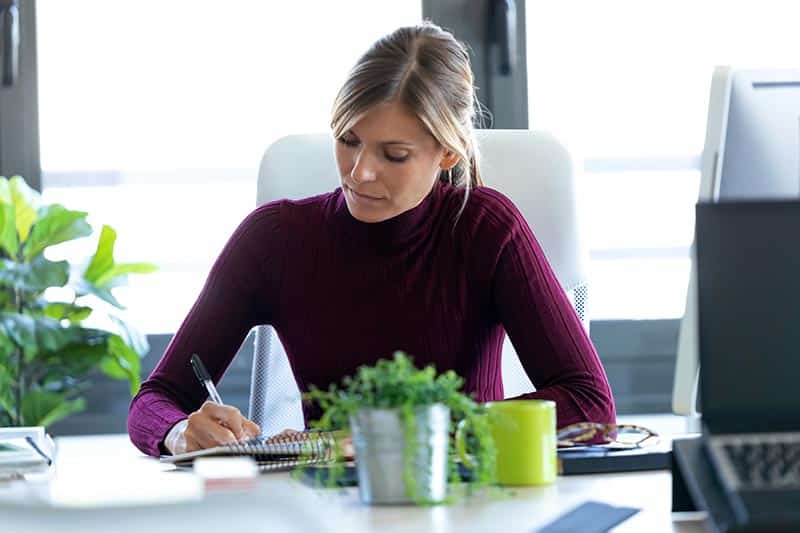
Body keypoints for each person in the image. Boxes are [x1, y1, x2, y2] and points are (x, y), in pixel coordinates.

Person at [128, 22, 615, 457]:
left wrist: (406, 435)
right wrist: (179, 432)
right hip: (328, 509)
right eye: (348, 140)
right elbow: (156, 399)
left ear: (446, 153)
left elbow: (590, 404)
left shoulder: (486, 229)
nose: (360, 173)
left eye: (394, 154)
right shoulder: (272, 240)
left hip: (462, 503)